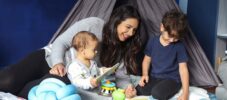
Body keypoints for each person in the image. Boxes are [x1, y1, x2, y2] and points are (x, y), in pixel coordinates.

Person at [0, 4, 143, 98]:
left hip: (65, 76)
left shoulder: (122, 48)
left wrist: (129, 88)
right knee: (9, 80)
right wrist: (58, 63)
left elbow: (122, 76)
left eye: (134, 30)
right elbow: (61, 42)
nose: (130, 33)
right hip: (49, 59)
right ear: (117, 22)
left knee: (31, 92)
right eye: (128, 27)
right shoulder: (94, 24)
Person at [136, 9, 189, 100]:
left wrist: (185, 93)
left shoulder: (179, 46)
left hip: (172, 80)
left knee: (157, 94)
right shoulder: (153, 41)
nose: (172, 40)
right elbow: (146, 60)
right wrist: (145, 75)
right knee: (139, 89)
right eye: (170, 36)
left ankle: (175, 88)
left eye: (176, 38)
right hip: (155, 77)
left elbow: (183, 69)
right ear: (162, 27)